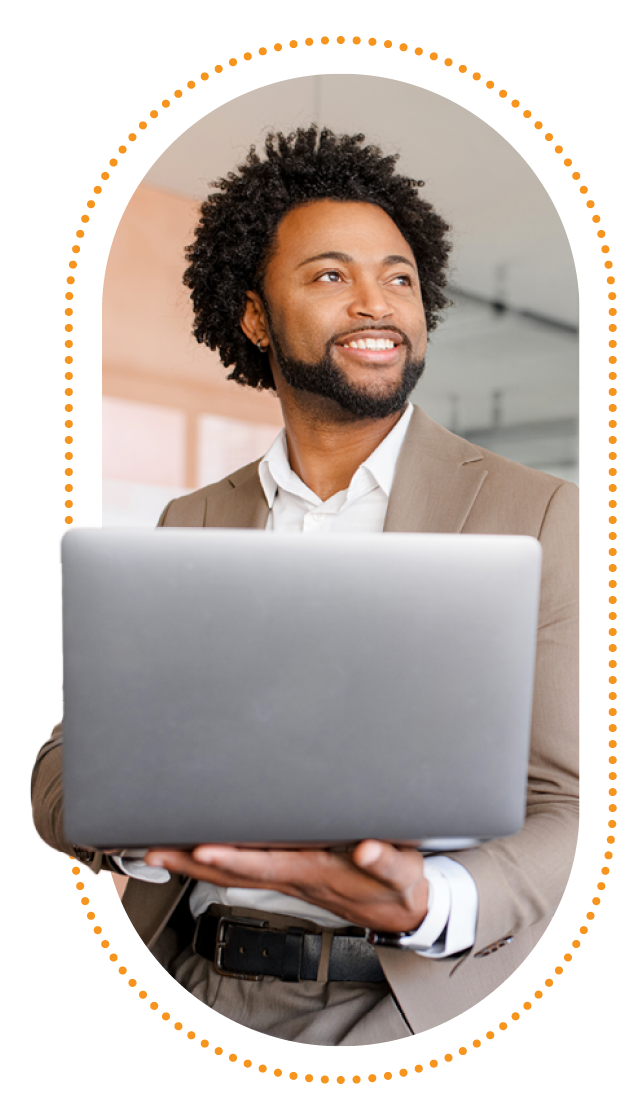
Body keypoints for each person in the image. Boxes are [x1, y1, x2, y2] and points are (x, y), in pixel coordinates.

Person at [31, 126, 579, 1046]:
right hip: (187, 982)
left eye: (399, 276)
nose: (378, 303)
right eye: (331, 275)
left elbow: (575, 805)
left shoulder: (539, 513)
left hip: (409, 1005)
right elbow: (65, 765)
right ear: (254, 318)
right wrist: (143, 827)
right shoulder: (191, 523)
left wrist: (430, 899)